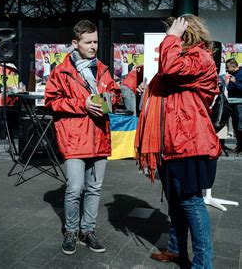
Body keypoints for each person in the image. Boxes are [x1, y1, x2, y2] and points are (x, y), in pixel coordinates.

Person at [135, 15, 221, 268]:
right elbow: (167, 78)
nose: (167, 36)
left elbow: (171, 69)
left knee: (191, 202)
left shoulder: (200, 57)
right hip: (170, 142)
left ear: (186, 33)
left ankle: (203, 263)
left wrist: (170, 38)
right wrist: (148, 87)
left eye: (172, 32)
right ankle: (176, 250)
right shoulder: (181, 56)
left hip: (190, 141)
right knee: (174, 200)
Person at [45, 19, 120, 255]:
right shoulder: (61, 71)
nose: (93, 46)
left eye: (96, 41)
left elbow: (114, 94)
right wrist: (83, 104)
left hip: (98, 136)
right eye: (88, 42)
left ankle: (87, 231)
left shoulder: (103, 69)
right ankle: (70, 232)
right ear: (75, 43)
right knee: (75, 188)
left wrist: (108, 101)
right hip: (74, 138)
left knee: (94, 189)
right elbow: (51, 102)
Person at [226, 58, 242, 155]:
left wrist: (235, 82)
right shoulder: (231, 74)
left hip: (240, 103)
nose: (227, 69)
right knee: (235, 126)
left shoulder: (240, 74)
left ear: (233, 66)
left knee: (240, 126)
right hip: (231, 103)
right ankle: (239, 146)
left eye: (228, 67)